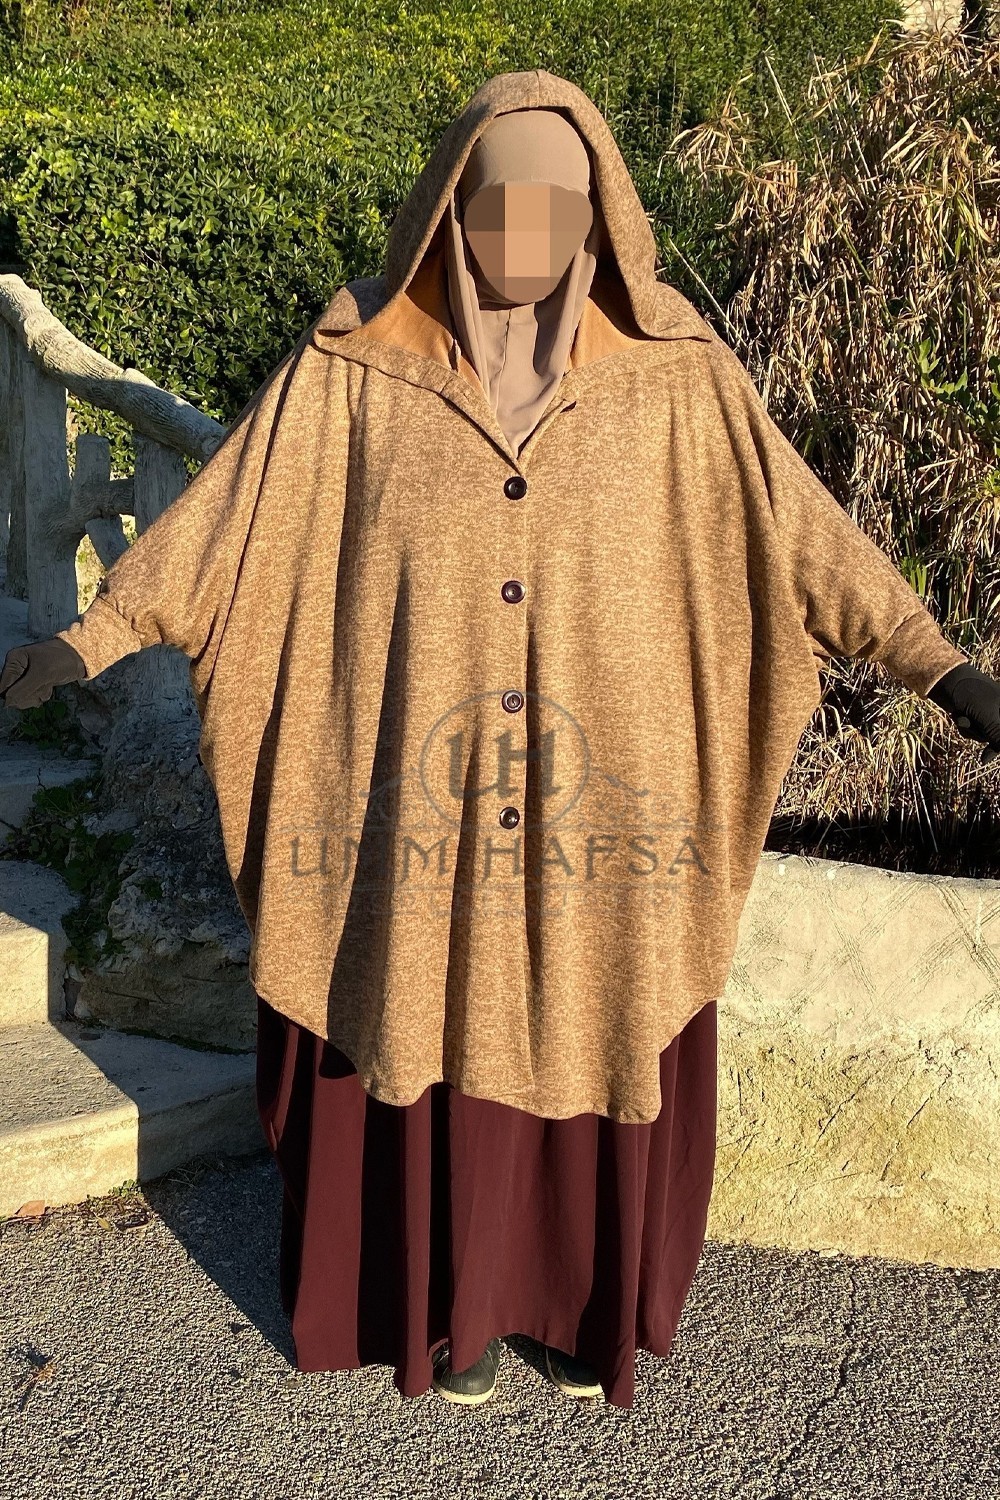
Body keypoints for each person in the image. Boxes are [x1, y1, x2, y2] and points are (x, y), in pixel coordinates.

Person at [3, 70, 999, 1412]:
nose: (527, 235)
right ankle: (449, 1315)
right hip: (417, 813)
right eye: (499, 206)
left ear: (601, 221)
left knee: (600, 1010)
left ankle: (581, 1310)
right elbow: (227, 525)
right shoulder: (353, 372)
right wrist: (91, 639)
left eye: (558, 208)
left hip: (613, 811)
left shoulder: (678, 382)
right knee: (426, 1011)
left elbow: (802, 535)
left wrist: (940, 666)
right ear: (448, 212)